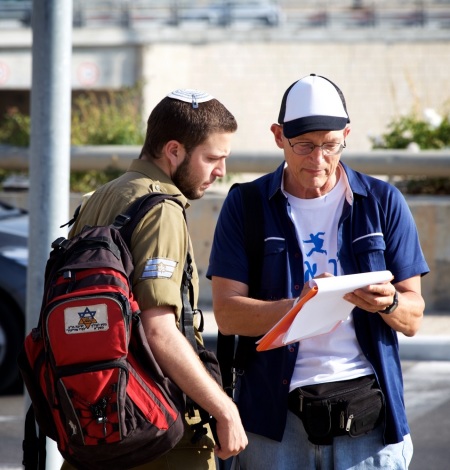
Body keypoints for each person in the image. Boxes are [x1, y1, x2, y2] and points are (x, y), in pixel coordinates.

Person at [207, 74, 429, 469]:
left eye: (330, 145)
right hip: (274, 427)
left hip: (370, 425)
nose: (318, 160)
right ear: (278, 136)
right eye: (304, 146)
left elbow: (412, 317)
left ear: (347, 134)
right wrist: (303, 306)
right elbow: (226, 315)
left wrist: (389, 302)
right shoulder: (246, 206)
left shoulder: (381, 201)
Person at [64, 89, 247, 469]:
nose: (221, 171)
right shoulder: (161, 208)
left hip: (94, 418)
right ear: (174, 151)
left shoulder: (99, 197)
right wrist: (224, 409)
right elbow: (160, 330)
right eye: (213, 158)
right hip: (155, 428)